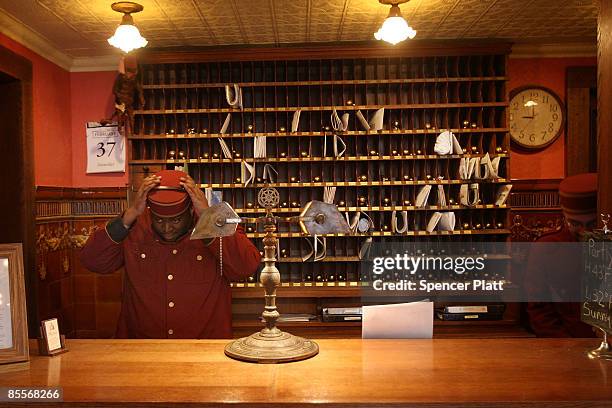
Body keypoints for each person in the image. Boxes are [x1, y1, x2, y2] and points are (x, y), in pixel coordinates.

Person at [79, 169, 261, 339]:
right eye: (158, 220)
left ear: (190, 210)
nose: (167, 228)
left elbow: (246, 267)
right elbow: (93, 261)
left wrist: (208, 215)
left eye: (176, 219)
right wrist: (131, 213)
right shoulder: (135, 227)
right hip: (141, 349)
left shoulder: (218, 224)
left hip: (203, 350)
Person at [525, 172, 597, 337]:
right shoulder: (546, 248)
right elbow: (540, 311)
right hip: (568, 348)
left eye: (592, 224)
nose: (584, 231)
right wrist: (567, 347)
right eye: (575, 223)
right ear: (564, 217)